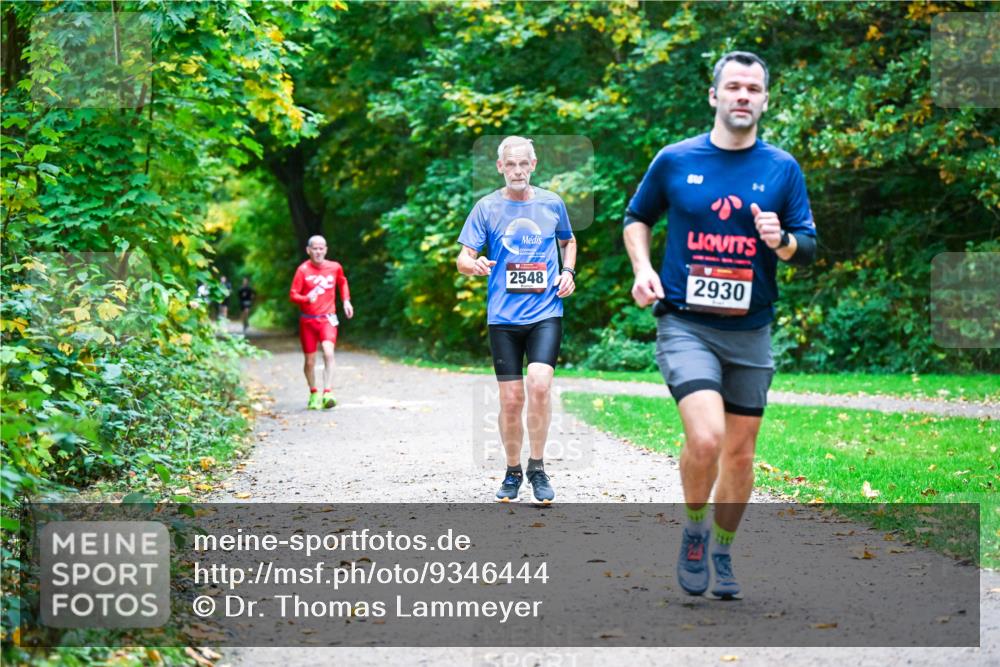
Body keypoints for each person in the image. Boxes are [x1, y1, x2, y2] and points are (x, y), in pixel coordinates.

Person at [622, 51, 817, 599]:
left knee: (741, 452)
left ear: (764, 99)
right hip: (685, 324)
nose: (742, 96)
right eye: (732, 86)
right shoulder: (675, 159)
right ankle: (692, 529)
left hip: (750, 330)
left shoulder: (782, 169)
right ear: (714, 95)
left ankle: (724, 549)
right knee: (705, 438)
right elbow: (637, 217)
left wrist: (781, 241)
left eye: (753, 89)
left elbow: (808, 247)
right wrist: (643, 269)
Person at [456, 136, 577, 504]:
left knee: (539, 384)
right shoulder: (487, 208)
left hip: (545, 313)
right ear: (500, 167)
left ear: (534, 164)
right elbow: (463, 257)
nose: (518, 170)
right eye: (511, 164)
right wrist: (473, 265)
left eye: (524, 164)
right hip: (504, 318)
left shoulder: (552, 204)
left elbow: (568, 241)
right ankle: (512, 472)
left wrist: (568, 271)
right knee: (511, 399)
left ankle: (538, 468)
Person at [289, 236, 354, 410]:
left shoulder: (335, 267)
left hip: (328, 319)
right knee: (310, 361)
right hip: (308, 321)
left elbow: (343, 282)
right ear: (308, 250)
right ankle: (314, 393)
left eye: (321, 248)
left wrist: (346, 301)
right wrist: (306, 298)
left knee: (328, 352)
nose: (318, 252)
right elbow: (293, 294)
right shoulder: (302, 270)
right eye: (315, 249)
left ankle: (328, 392)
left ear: (326, 249)